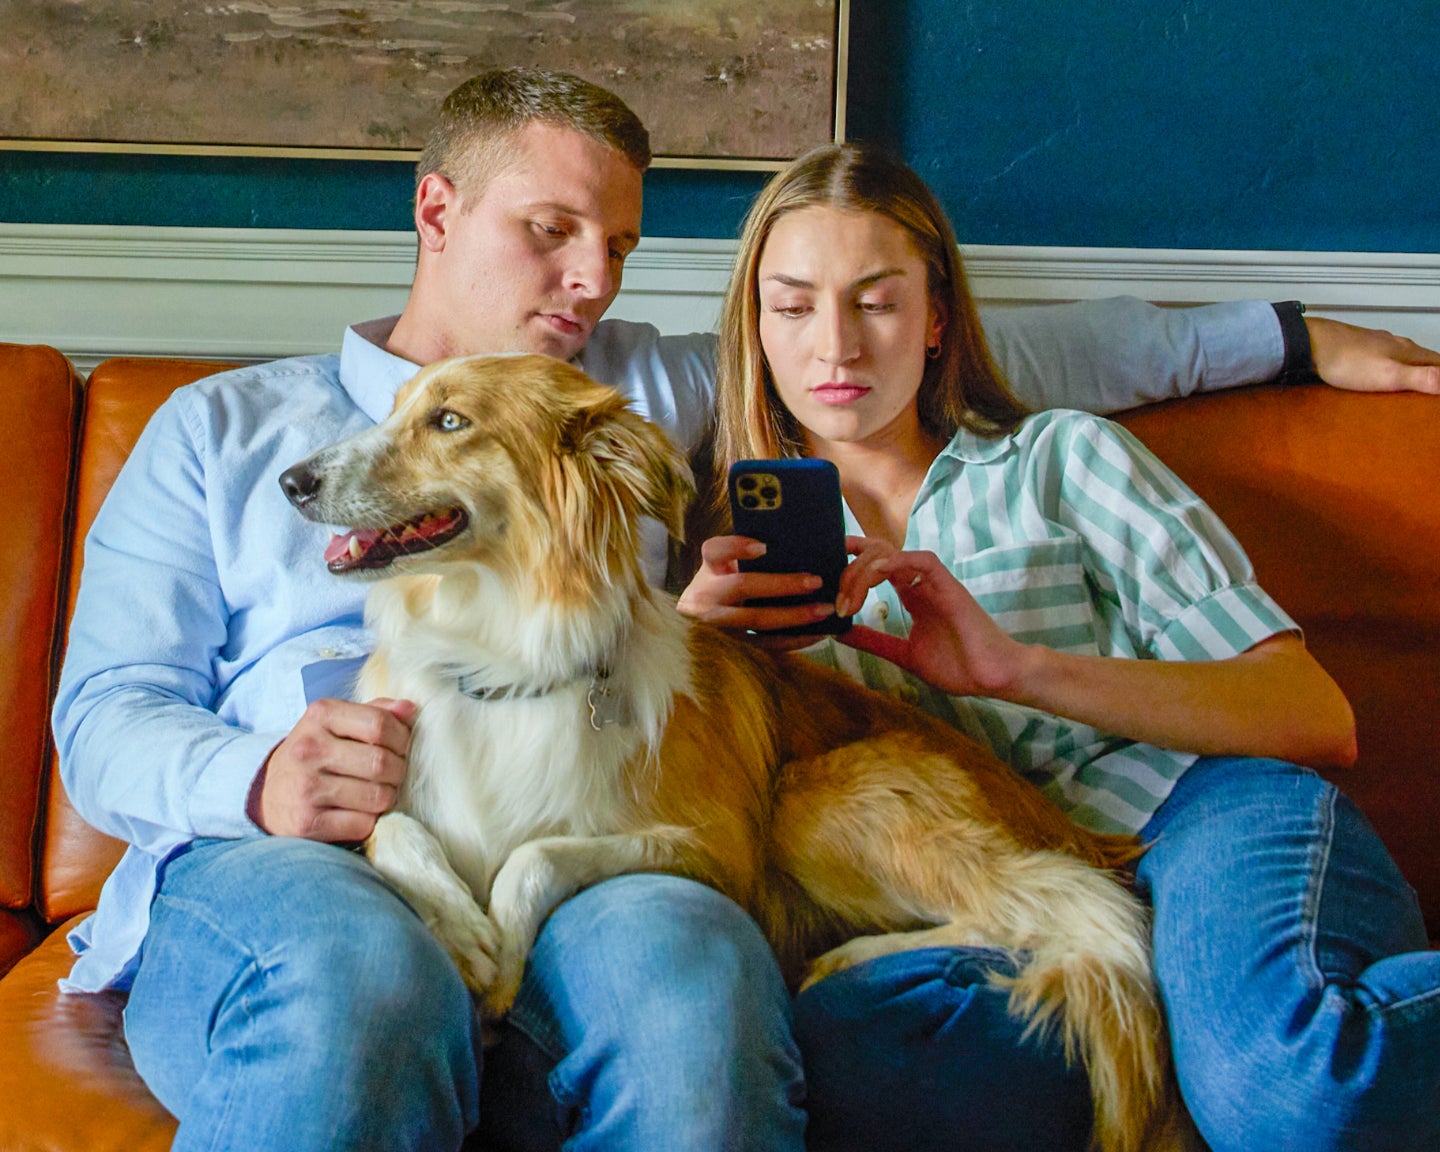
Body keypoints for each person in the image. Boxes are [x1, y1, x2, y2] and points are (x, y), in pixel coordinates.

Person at [51, 66, 1439, 1152]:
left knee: (698, 992)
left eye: (618, 245)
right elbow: (104, 716)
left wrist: (1285, 334)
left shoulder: (619, 399)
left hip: (611, 833)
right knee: (363, 981)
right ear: (437, 211)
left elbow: (942, 344)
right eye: (552, 233)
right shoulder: (222, 430)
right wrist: (256, 776)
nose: (592, 281)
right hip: (284, 855)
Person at [676, 140, 1440, 1152]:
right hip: (1008, 901)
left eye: (878, 301)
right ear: (756, 326)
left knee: (1296, 1092)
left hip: (1191, 815)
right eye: (793, 305)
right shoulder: (715, 556)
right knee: (856, 1052)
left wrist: (1019, 670)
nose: (837, 346)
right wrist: (686, 659)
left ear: (936, 319)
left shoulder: (1063, 458)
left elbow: (1311, 713)